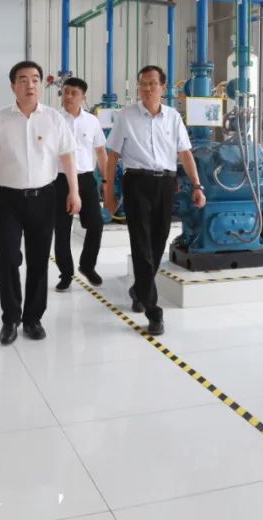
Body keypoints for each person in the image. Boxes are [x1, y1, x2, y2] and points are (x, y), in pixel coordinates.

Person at [0, 61, 80, 345]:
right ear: (13, 86)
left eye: (35, 79)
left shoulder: (54, 119)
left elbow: (68, 156)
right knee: (7, 258)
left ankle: (33, 318)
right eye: (23, 79)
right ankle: (10, 318)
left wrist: (74, 191)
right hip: (8, 199)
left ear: (40, 85)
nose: (30, 85)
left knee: (38, 260)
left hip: (44, 197)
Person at [104, 65, 206, 336]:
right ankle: (153, 310)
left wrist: (197, 185)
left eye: (152, 83)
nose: (147, 88)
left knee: (158, 243)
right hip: (136, 183)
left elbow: (185, 154)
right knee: (141, 245)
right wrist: (109, 192)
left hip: (166, 184)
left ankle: (139, 289)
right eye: (142, 84)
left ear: (163, 87)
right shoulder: (125, 116)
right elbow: (112, 157)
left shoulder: (173, 117)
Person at [54, 77, 107, 292]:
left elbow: (101, 152)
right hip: (59, 181)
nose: (68, 96)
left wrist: (106, 180)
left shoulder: (92, 121)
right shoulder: (54, 119)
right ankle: (66, 274)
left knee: (96, 224)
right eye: (65, 92)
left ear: (83, 97)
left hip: (86, 179)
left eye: (73, 93)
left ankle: (87, 265)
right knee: (62, 230)